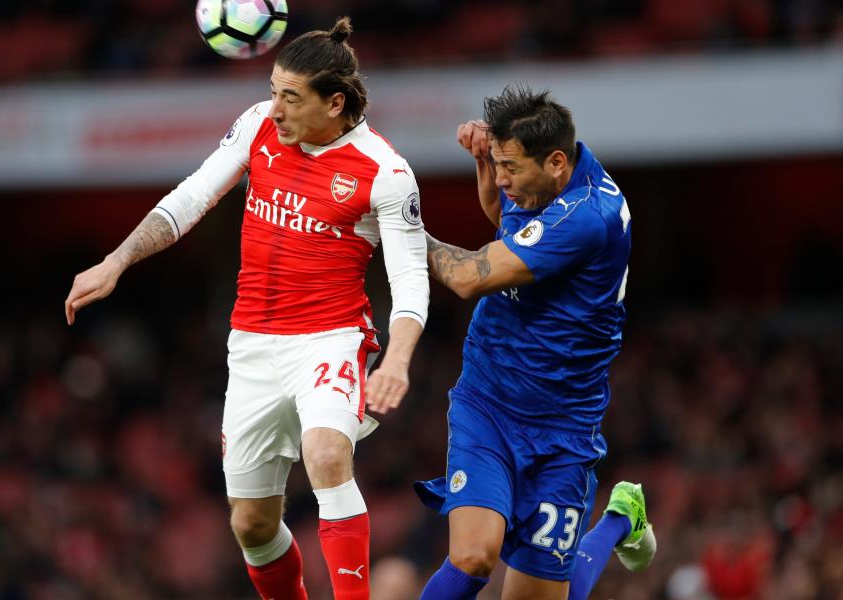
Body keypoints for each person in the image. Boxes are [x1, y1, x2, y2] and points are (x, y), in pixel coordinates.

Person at [64, 18, 429, 600]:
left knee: (327, 451)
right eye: (272, 90)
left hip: (331, 338)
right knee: (252, 526)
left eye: (290, 96)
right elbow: (192, 196)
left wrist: (398, 362)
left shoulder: (385, 172)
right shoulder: (258, 126)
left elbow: (409, 280)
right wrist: (116, 261)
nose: (275, 108)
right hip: (253, 345)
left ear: (335, 103)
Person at [413, 85, 656, 599]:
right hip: (490, 402)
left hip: (564, 428)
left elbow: (470, 277)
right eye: (499, 165)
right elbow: (507, 221)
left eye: (510, 169)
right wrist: (488, 162)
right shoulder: (544, 182)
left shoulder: (589, 217)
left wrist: (396, 225)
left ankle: (618, 518)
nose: (502, 181)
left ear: (557, 162)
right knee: (473, 555)